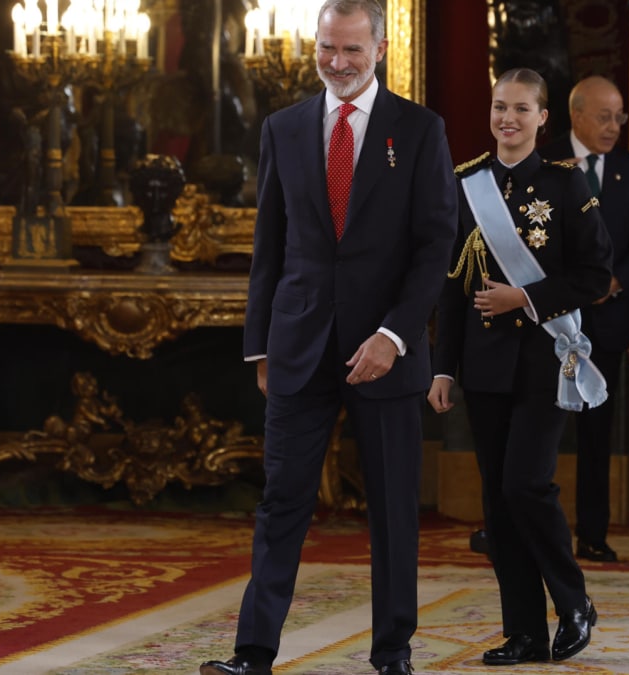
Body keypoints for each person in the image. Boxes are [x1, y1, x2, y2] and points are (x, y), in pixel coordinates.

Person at [200, 2, 458, 675]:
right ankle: (252, 653)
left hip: (386, 355)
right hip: (298, 349)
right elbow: (270, 245)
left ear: (379, 48)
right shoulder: (284, 127)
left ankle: (392, 650)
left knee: (394, 510)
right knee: (281, 501)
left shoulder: (421, 129)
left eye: (351, 50)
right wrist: (261, 346)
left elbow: (436, 245)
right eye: (327, 49)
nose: (338, 63)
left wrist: (394, 334)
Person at [429, 67, 612, 666]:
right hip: (483, 367)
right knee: (498, 503)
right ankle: (526, 631)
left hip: (543, 361)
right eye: (499, 107)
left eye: (521, 109)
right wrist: (442, 369)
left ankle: (574, 600)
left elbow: (593, 274)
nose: (508, 118)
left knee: (526, 485)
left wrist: (526, 299)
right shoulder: (466, 184)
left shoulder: (566, 184)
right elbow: (452, 291)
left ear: (543, 118)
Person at [542, 76, 629, 563]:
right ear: (577, 116)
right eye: (605, 117)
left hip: (605, 320)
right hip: (548, 319)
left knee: (597, 432)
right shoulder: (543, 163)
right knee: (538, 428)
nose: (614, 126)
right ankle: (530, 530)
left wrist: (612, 283)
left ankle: (592, 532)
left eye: (620, 117)